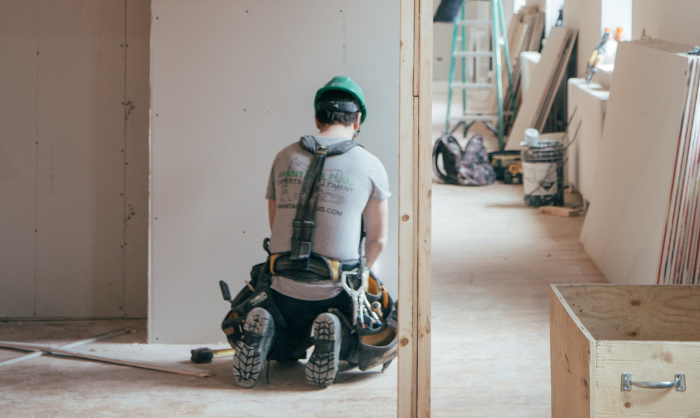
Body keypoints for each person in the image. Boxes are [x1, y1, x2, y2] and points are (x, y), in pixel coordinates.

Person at [228, 76, 396, 389]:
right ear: (358, 119)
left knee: (286, 344)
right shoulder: (370, 164)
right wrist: (362, 279)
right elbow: (377, 240)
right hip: (334, 289)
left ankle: (272, 334)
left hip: (281, 288)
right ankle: (338, 330)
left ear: (317, 118)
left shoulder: (284, 156)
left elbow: (276, 225)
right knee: (381, 323)